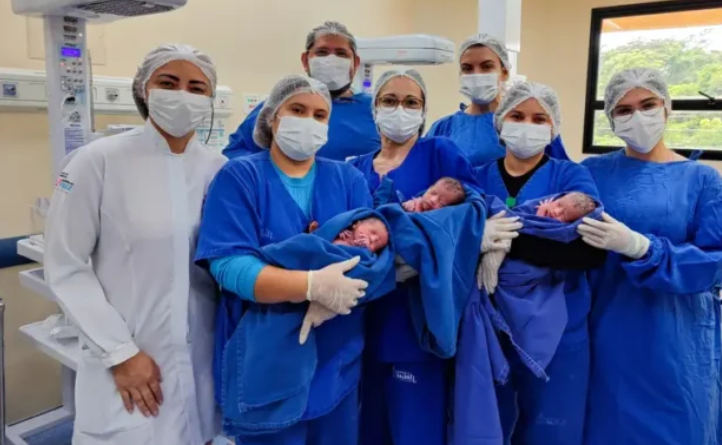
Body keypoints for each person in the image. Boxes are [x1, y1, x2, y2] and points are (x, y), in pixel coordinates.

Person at [43, 44, 226, 445]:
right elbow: (66, 266)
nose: (183, 95)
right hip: (127, 358)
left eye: (197, 87)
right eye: (168, 83)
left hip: (201, 357)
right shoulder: (96, 161)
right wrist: (120, 353)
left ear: (210, 98)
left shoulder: (219, 169)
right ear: (144, 89)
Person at [195, 74, 375, 445]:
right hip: (266, 356)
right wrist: (310, 286)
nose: (309, 121)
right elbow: (228, 264)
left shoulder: (348, 179)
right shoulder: (240, 177)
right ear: (272, 117)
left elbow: (371, 256)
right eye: (297, 110)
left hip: (335, 353)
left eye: (320, 115)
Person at [350, 67, 520, 445]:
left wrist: (465, 240)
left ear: (424, 111)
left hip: (415, 318)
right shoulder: (354, 169)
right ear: (374, 108)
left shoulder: (439, 153)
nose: (400, 109)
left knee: (416, 430)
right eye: (390, 100)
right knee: (366, 431)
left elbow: (472, 207)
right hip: (357, 317)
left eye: (411, 102)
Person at [578, 68, 722, 445]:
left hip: (673, 335)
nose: (637, 117)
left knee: (677, 424)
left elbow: (715, 259)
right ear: (611, 118)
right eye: (624, 110)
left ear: (667, 108)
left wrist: (644, 249)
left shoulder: (702, 180)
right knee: (604, 420)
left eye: (647, 105)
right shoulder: (592, 172)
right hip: (605, 326)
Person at [474, 81, 604, 445]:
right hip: (488, 324)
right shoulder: (477, 176)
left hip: (558, 327)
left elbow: (589, 251)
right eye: (517, 116)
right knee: (485, 422)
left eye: (538, 118)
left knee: (551, 427)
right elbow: (457, 235)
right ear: (500, 122)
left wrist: (508, 243)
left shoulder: (570, 176)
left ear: (553, 127)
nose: (527, 125)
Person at [223, 21, 380, 161]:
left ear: (355, 63)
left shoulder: (376, 109)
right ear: (306, 60)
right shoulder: (280, 105)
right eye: (322, 52)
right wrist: (272, 172)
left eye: (341, 53)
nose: (331, 60)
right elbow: (234, 152)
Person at [428, 34, 569, 166]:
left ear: (505, 72)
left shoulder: (532, 123)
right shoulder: (444, 128)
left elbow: (563, 175)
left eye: (486, 67)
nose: (476, 74)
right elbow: (424, 172)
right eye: (467, 68)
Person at [401, 177, 466, 212]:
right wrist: (407, 205)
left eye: (441, 203)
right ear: (429, 188)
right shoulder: (415, 203)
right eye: (432, 193)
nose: (432, 200)